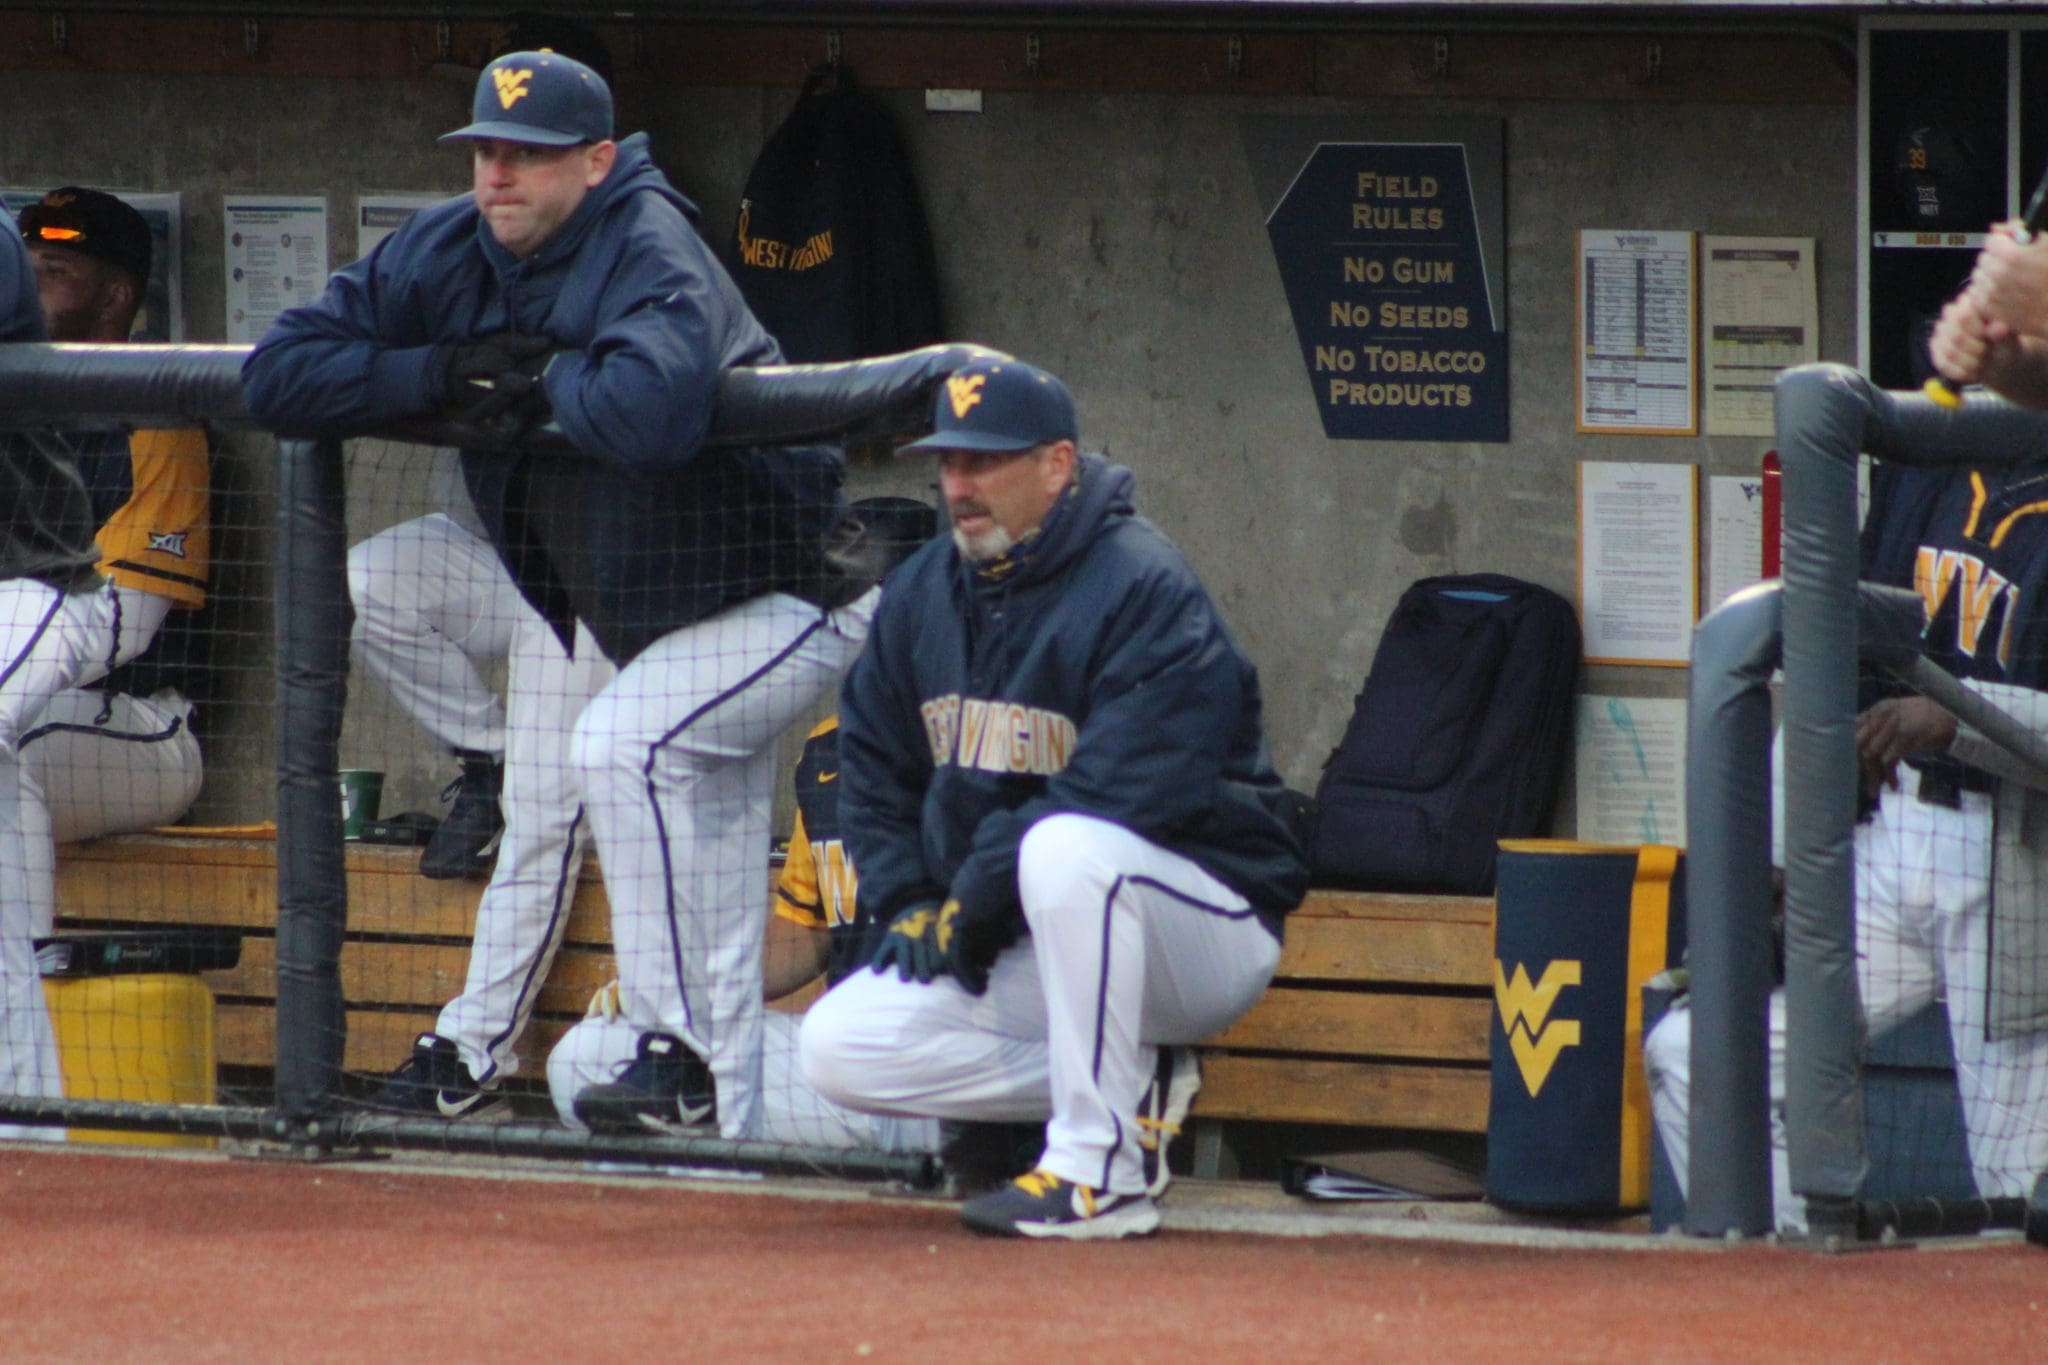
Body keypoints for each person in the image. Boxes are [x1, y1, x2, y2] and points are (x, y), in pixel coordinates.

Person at [244, 51, 869, 1140]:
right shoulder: (451, 245)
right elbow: (278, 371)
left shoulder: (647, 242)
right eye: (486, 150)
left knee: (620, 744)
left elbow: (651, 413)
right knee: (706, 844)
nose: (498, 175)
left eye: (527, 156)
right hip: (645, 608)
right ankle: (718, 1124)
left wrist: (536, 378)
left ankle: (674, 1056)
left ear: (594, 161)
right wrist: (433, 376)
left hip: (789, 591)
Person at [797, 359, 1309, 1240]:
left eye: (985, 462)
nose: (959, 486)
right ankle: (1133, 1081)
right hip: (1033, 930)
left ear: (1059, 465)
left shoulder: (1144, 587)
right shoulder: (923, 591)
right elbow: (874, 765)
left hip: (1199, 921)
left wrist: (970, 898)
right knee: (837, 1045)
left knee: (1069, 847)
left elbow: (1120, 796)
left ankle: (1097, 1169)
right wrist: (913, 898)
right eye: (948, 462)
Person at [1645, 455, 2048, 1232]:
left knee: (2020, 1188)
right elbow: (1828, 657)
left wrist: (1957, 719)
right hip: (1889, 836)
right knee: (1696, 1054)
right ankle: (1790, 1298)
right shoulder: (1924, 466)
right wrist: (1777, 848)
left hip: (2016, 860)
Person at [2, 188, 211, 1132]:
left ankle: (34, 962)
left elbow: (126, 624)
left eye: (61, 272)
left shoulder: (156, 411)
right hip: (43, 697)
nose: (38, 287)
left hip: (148, 730)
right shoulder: (20, 402)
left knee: (21, 726)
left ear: (117, 295)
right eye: (30, 267)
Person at [551, 715, 937, 1155]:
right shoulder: (827, 746)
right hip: (843, 1067)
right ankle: (706, 1211)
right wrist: (680, 989)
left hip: (937, 1062)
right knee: (586, 1056)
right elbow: (805, 931)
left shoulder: (977, 743)